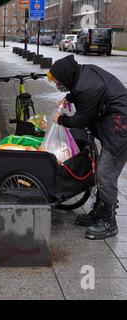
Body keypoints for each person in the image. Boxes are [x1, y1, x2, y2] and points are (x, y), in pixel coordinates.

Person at [48, 54, 127, 240]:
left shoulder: (88, 87)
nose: (57, 84)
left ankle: (109, 221)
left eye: (58, 81)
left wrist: (61, 119)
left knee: (106, 174)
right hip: (113, 122)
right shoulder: (81, 74)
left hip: (120, 128)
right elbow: (77, 92)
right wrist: (68, 97)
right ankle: (100, 211)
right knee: (102, 170)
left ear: (66, 78)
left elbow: (81, 119)